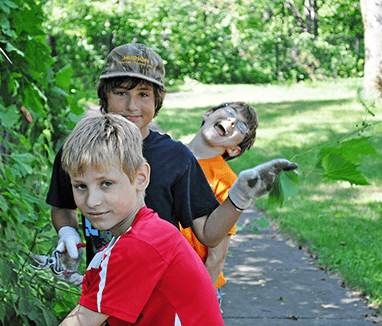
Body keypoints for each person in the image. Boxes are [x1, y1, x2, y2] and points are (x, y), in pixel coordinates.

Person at [46, 43, 298, 284]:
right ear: (104, 92)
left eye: (143, 94)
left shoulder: (176, 158)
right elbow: (62, 205)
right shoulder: (80, 148)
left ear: (159, 98)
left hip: (162, 296)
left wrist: (240, 196)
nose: (132, 106)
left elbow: (209, 233)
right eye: (121, 93)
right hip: (103, 290)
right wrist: (68, 234)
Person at [58, 112, 224, 326]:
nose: (92, 201)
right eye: (81, 186)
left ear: (140, 178)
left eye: (106, 183)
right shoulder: (142, 234)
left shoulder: (141, 244)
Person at [180, 101, 258, 312]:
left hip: (194, 283)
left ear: (233, 150)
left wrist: (198, 302)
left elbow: (217, 256)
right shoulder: (169, 154)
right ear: (208, 113)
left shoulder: (226, 182)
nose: (232, 121)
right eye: (230, 113)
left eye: (241, 127)